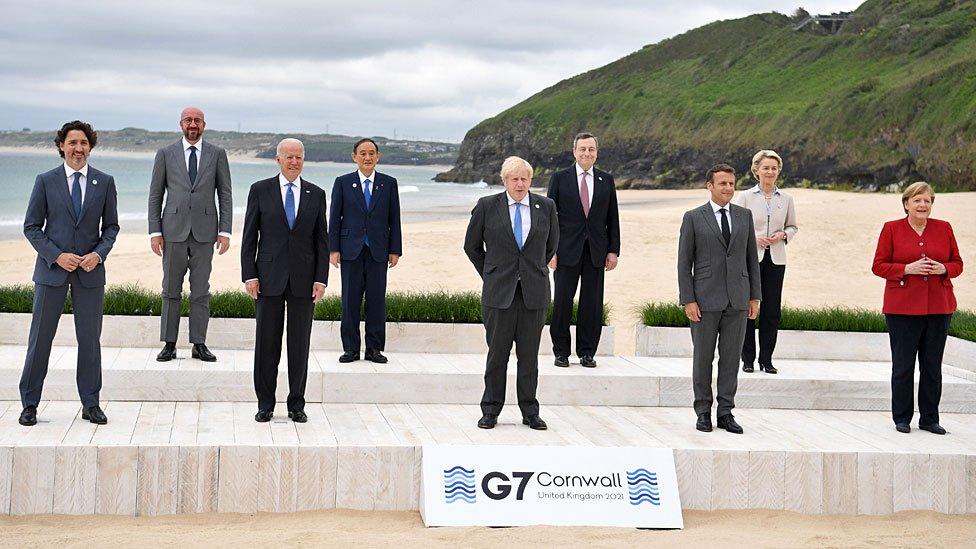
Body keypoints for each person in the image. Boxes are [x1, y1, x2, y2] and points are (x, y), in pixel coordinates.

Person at [19, 120, 119, 426]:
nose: (78, 149)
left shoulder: (104, 182)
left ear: (90, 147)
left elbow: (111, 227)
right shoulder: (45, 181)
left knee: (90, 341)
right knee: (41, 340)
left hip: (90, 275)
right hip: (51, 273)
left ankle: (91, 404)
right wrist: (57, 256)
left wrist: (98, 255)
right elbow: (32, 227)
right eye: (73, 143)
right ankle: (30, 404)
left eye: (84, 143)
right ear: (62, 146)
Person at [463, 156, 558, 431]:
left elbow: (551, 245)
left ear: (531, 180)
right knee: (498, 355)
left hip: (534, 293)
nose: (519, 184)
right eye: (514, 179)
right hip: (498, 293)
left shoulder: (546, 206)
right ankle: (490, 410)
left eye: (524, 179)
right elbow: (471, 246)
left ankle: (530, 412)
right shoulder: (487, 206)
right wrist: (491, 273)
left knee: (529, 357)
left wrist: (532, 269)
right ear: (504, 180)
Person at [241, 138, 329, 423]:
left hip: (305, 280)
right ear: (278, 160)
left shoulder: (316, 194)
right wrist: (249, 274)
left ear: (304, 160)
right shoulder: (260, 190)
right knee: (266, 343)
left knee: (299, 344)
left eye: (299, 157)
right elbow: (249, 237)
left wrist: (321, 279)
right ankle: (265, 403)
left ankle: (296, 405)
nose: (294, 162)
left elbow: (321, 241)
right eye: (289, 157)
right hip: (267, 278)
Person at [872, 182, 963, 435]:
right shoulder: (891, 229)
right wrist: (906, 269)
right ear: (906, 204)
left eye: (927, 201)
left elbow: (957, 263)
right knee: (903, 366)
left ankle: (929, 419)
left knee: (932, 366)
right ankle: (902, 418)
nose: (923, 205)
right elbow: (878, 266)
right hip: (901, 309)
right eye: (917, 200)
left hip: (939, 307)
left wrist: (944, 268)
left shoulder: (944, 228)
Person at [677, 164, 760, 434]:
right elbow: (683, 263)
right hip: (704, 300)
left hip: (737, 299)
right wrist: (688, 299)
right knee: (703, 358)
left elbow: (751, 260)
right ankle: (703, 411)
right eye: (722, 183)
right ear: (709, 186)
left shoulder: (744, 216)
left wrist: (754, 297)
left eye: (731, 184)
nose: (728, 188)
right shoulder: (693, 217)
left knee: (731, 359)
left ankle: (726, 411)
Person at [148, 107, 233, 363]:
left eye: (197, 120)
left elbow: (225, 194)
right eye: (188, 120)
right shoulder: (165, 154)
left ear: (204, 125)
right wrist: (155, 231)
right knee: (170, 289)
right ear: (181, 124)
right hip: (172, 231)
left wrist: (225, 231)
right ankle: (169, 344)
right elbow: (155, 194)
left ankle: (199, 344)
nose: (192, 124)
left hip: (205, 233)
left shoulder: (217, 154)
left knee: (200, 291)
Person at [547, 132, 620, 368]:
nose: (587, 153)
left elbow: (613, 218)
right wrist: (550, 251)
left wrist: (613, 250)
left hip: (597, 252)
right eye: (583, 149)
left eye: (591, 149)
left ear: (596, 152)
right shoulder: (560, 178)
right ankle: (561, 352)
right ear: (574, 152)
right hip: (566, 251)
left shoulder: (606, 180)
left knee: (592, 304)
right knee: (562, 303)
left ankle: (587, 352)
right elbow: (550, 218)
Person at [329, 138, 402, 364]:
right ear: (354, 157)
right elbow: (335, 219)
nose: (367, 157)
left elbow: (394, 219)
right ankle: (351, 349)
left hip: (378, 251)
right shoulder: (342, 182)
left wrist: (395, 249)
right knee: (350, 301)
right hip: (350, 250)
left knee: (376, 301)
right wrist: (333, 249)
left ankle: (374, 349)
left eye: (371, 153)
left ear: (378, 156)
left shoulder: (389, 183)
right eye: (363, 153)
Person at [732, 150, 798, 374]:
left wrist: (783, 235)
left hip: (776, 259)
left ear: (778, 171)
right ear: (756, 170)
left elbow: (793, 226)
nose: (770, 172)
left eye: (774, 168)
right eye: (766, 168)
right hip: (750, 258)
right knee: (749, 307)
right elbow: (736, 226)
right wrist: (753, 238)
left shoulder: (786, 199)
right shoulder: (745, 197)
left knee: (772, 310)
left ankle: (766, 359)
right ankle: (747, 358)